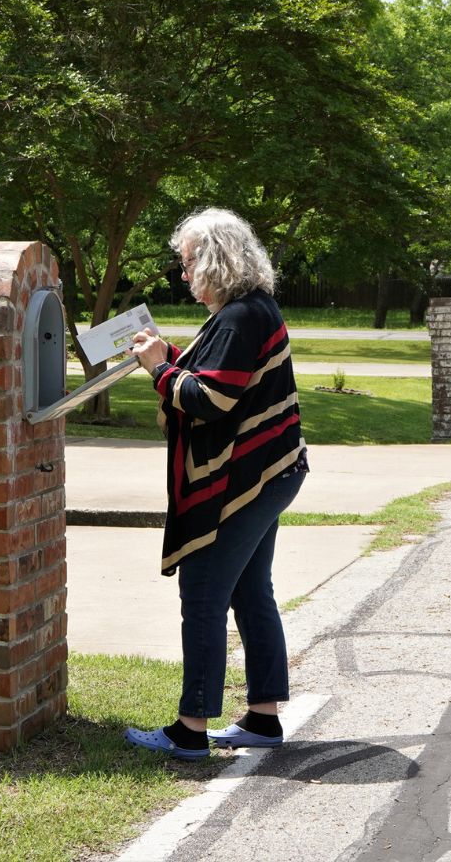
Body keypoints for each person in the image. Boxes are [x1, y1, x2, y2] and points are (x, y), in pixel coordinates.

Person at [123, 207, 308, 761]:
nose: (184, 276)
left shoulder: (237, 317)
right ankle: (262, 718)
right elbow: (223, 380)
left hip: (245, 481)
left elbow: (212, 400)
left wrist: (160, 370)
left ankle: (190, 728)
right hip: (273, 472)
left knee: (203, 593)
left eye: (187, 263)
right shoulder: (249, 310)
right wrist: (171, 360)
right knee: (252, 592)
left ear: (213, 260)